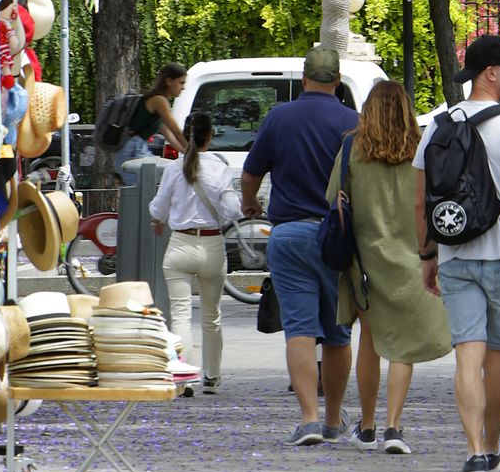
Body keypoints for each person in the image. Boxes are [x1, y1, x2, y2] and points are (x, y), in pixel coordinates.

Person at [414, 32, 500, 472]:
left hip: (455, 256)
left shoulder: (439, 124)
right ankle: (492, 446)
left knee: (466, 358)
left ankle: (472, 453)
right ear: (491, 73)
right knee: (498, 359)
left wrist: (427, 255)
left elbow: (421, 202)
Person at [240, 43, 359, 444]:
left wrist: (249, 202)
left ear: (304, 79)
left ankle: (308, 418)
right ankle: (333, 419)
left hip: (289, 235)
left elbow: (251, 172)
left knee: (300, 330)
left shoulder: (278, 118)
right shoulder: (352, 122)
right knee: (339, 333)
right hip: (337, 237)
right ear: (337, 81)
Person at [326, 78, 450, 453]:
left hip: (366, 260)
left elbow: (333, 198)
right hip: (414, 257)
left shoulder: (352, 148)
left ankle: (366, 426)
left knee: (371, 341)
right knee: (403, 346)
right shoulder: (421, 149)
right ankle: (394, 428)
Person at [150, 108, 237, 396]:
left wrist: (160, 218)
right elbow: (233, 210)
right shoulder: (220, 169)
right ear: (209, 137)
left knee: (180, 315)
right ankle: (211, 377)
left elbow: (157, 208)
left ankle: (183, 378)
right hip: (212, 245)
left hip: (179, 246)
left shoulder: (174, 168)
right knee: (212, 315)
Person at [111, 64, 186, 183]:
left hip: (132, 148)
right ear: (168, 81)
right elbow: (176, 131)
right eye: (181, 83)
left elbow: (169, 135)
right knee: (149, 190)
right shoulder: (159, 101)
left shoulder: (156, 105)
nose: (183, 88)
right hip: (133, 150)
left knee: (159, 184)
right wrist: (193, 151)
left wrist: (187, 152)